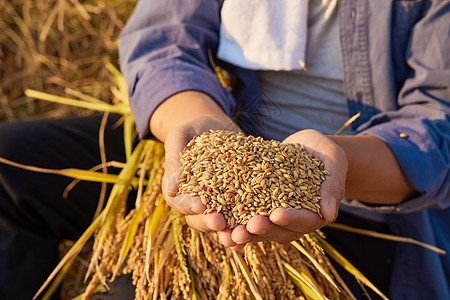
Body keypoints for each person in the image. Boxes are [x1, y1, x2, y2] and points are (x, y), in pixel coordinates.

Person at [0, 1, 448, 300]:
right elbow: (164, 41)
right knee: (6, 162)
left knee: (135, 292)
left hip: (359, 187)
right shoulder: (209, 139)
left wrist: (338, 163)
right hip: (208, 128)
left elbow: (438, 124)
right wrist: (201, 124)